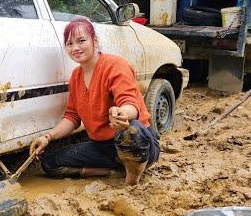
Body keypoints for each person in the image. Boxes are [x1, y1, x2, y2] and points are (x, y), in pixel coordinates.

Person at [29, 17, 159, 185]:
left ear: (94, 41)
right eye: (69, 44)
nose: (75, 48)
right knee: (49, 163)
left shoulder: (115, 65)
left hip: (139, 144)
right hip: (104, 147)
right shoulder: (76, 77)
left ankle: (132, 180)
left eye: (81, 41)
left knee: (131, 130)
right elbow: (72, 117)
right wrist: (47, 137)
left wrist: (122, 114)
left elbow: (130, 104)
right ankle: (113, 171)